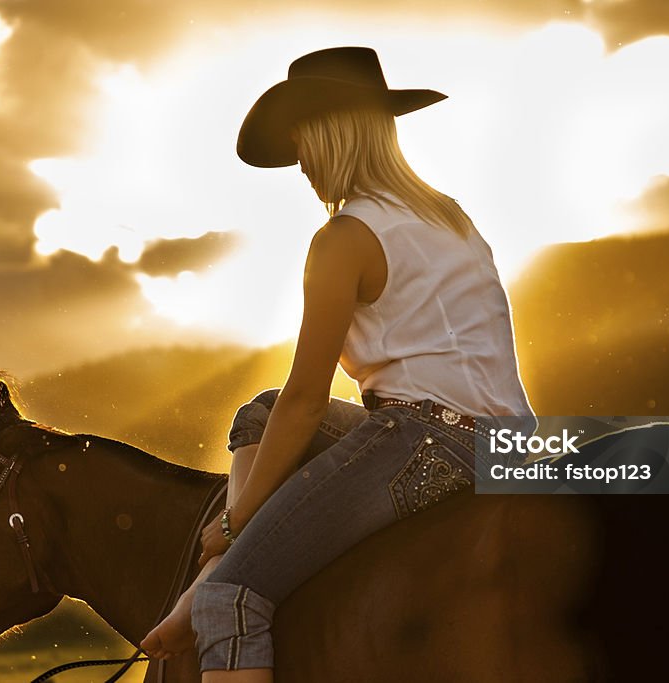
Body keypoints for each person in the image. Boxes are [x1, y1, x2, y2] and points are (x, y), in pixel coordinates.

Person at [139, 46, 535, 681]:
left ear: (329, 135)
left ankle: (218, 574)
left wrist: (233, 522)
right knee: (258, 413)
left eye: (301, 144)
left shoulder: (343, 238)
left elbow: (307, 398)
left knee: (230, 601)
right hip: (511, 442)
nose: (300, 164)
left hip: (430, 442)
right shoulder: (448, 215)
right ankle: (229, 558)